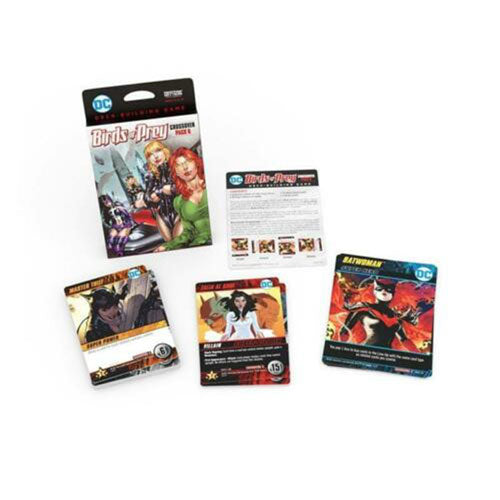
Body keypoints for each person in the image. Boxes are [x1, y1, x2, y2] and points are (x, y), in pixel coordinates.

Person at [155, 147, 212, 251]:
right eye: (179, 165)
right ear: (176, 172)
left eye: (188, 162)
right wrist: (167, 246)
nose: (185, 167)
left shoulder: (213, 184)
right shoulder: (179, 201)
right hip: (199, 246)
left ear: (196, 163)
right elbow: (188, 233)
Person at [144, 141, 178, 241]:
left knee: (179, 241)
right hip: (163, 215)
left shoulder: (175, 166)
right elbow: (146, 198)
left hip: (179, 210)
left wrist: (161, 191)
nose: (155, 156)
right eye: (150, 154)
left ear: (164, 151)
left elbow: (184, 186)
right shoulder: (151, 175)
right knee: (171, 245)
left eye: (158, 151)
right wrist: (151, 198)